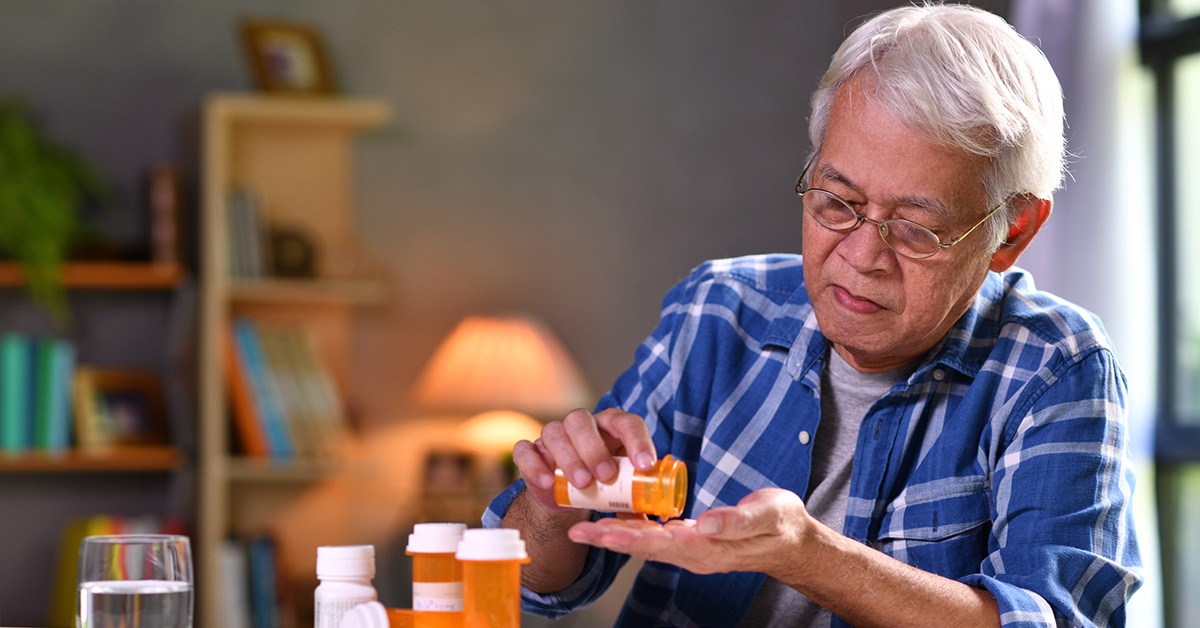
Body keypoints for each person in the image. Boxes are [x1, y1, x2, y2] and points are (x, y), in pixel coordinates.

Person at [483, 3, 1143, 626]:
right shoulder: (720, 310)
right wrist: (552, 500)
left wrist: (807, 554)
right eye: (836, 201)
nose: (860, 256)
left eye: (915, 227)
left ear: (1013, 232)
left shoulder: (1056, 368)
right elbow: (528, 584)